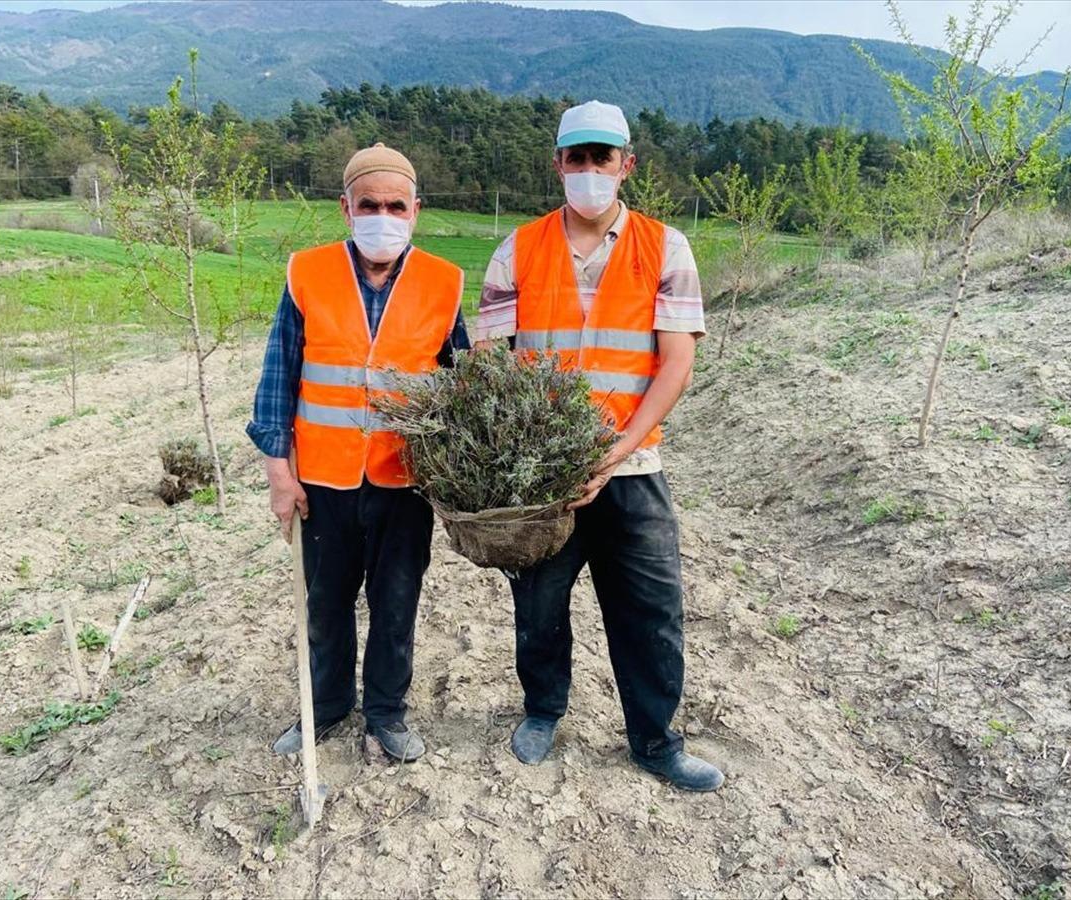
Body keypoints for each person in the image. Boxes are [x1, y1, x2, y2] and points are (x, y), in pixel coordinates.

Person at [474, 101, 723, 791]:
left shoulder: (665, 247)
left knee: (651, 610)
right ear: (558, 164)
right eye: (576, 157)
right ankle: (543, 711)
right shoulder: (517, 250)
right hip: (544, 478)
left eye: (601, 158)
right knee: (539, 605)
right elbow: (490, 360)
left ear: (626, 164)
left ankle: (655, 740)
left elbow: (676, 363)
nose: (589, 169)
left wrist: (617, 449)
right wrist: (525, 454)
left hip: (633, 466)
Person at [247, 143, 469, 762]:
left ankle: (387, 713)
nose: (382, 216)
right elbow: (278, 380)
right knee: (325, 603)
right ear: (346, 209)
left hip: (405, 482)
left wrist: (461, 480)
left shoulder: (444, 282)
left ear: (416, 210)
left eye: (396, 206)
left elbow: (463, 389)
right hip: (323, 481)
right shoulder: (308, 274)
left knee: (397, 602)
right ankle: (325, 705)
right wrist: (279, 475)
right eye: (368, 205)